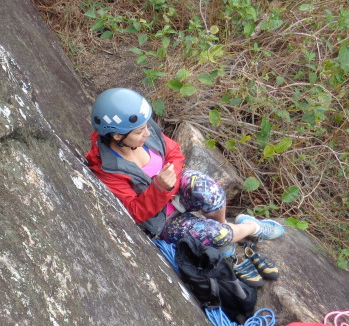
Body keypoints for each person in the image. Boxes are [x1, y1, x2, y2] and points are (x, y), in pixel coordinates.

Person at [84, 87, 284, 284]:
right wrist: (160, 188)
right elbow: (135, 213)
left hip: (177, 190)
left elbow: (174, 152)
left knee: (212, 193)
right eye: (139, 131)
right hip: (163, 220)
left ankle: (225, 237)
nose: (147, 132)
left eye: (146, 126)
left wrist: (171, 181)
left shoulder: (145, 131)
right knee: (219, 234)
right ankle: (250, 227)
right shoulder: (109, 169)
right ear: (118, 136)